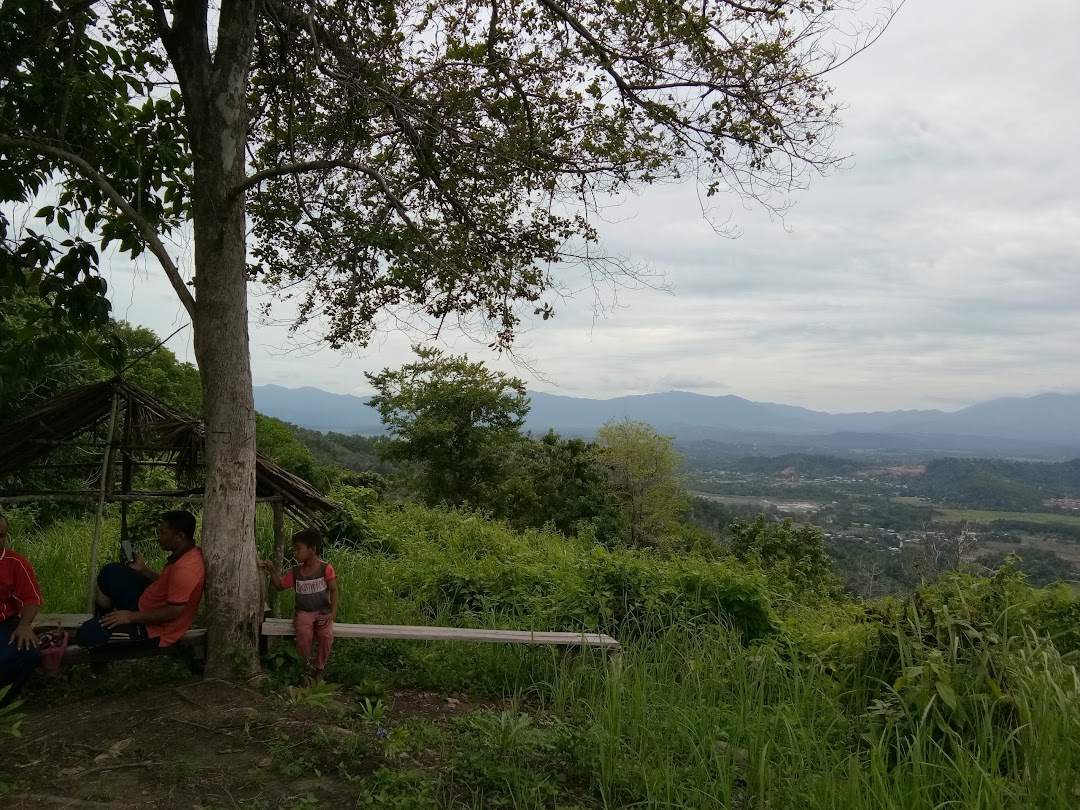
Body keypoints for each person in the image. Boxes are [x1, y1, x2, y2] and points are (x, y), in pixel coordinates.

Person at [76, 510, 205, 664]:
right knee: (111, 571)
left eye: (163, 533)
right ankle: (103, 620)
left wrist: (130, 617)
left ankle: (100, 642)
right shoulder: (185, 554)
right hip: (146, 603)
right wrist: (143, 570)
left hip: (156, 629)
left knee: (85, 634)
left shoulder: (185, 570)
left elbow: (173, 613)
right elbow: (171, 586)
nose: (159, 537)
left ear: (179, 536)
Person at [259, 528, 338, 683]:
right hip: (303, 612)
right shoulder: (295, 571)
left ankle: (319, 669)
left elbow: (334, 591)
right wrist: (272, 570)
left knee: (326, 636)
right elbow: (280, 585)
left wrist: (332, 614)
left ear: (312, 550)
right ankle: (304, 668)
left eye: (298, 549)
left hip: (323, 612)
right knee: (303, 634)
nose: (295, 553)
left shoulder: (325, 569)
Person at [0, 512, 43, 707]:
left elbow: (30, 598)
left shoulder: (15, 562)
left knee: (27, 652)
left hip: (4, 623)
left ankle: (4, 705)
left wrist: (25, 624)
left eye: (0, 535)